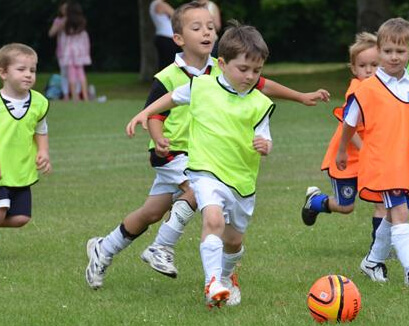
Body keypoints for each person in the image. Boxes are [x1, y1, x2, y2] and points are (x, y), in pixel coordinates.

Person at [84, 2, 329, 295]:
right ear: (178, 38)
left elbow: (261, 85)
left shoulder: (223, 69)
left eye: (211, 27)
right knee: (197, 188)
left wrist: (301, 96)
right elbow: (155, 114)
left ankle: (104, 247)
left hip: (205, 154)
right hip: (173, 153)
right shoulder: (167, 77)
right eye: (196, 27)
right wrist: (158, 137)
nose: (206, 32)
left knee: (150, 213)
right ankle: (162, 247)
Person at [126, 20, 274, 307]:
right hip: (205, 171)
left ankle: (227, 277)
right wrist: (144, 114)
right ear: (221, 63)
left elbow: (264, 136)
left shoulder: (260, 103)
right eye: (243, 69)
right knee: (213, 220)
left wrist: (264, 144)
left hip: (242, 180)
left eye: (256, 71)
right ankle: (212, 283)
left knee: (233, 241)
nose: (250, 76)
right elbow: (170, 98)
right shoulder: (201, 87)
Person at [336, 18, 409, 287]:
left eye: (400, 51)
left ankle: (371, 261)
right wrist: (342, 150)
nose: (393, 57)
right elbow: (349, 122)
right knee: (400, 212)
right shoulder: (366, 90)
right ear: (379, 51)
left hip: (405, 162)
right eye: (388, 51)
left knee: (392, 216)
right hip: (380, 162)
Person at [302, 32, 388, 249]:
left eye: (375, 64)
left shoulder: (387, 90)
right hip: (347, 160)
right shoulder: (356, 92)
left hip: (373, 160)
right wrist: (367, 152)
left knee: (382, 203)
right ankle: (315, 201)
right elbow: (349, 128)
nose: (369, 70)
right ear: (353, 68)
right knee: (345, 206)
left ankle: (378, 251)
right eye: (363, 65)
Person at [0, 43, 52, 229]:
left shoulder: (39, 103)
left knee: (22, 218)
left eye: (32, 70)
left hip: (20, 171)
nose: (28, 74)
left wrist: (44, 151)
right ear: (4, 73)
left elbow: (41, 129)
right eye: (21, 69)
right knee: (1, 211)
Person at [57, 1, 91, 101]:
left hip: (69, 52)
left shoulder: (66, 22)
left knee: (71, 74)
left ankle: (75, 97)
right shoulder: (82, 21)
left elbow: (64, 38)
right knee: (81, 74)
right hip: (80, 52)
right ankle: (85, 96)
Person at [48, 1, 69, 99]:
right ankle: (65, 94)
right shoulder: (58, 20)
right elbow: (51, 33)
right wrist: (60, 25)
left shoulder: (75, 20)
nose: (65, 11)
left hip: (76, 53)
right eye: (63, 9)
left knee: (76, 74)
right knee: (64, 73)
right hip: (63, 51)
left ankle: (76, 93)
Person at [149, 0, 178, 70]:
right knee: (169, 64)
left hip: (162, 37)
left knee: (164, 63)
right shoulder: (160, 4)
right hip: (167, 38)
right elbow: (177, 15)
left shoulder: (153, 4)